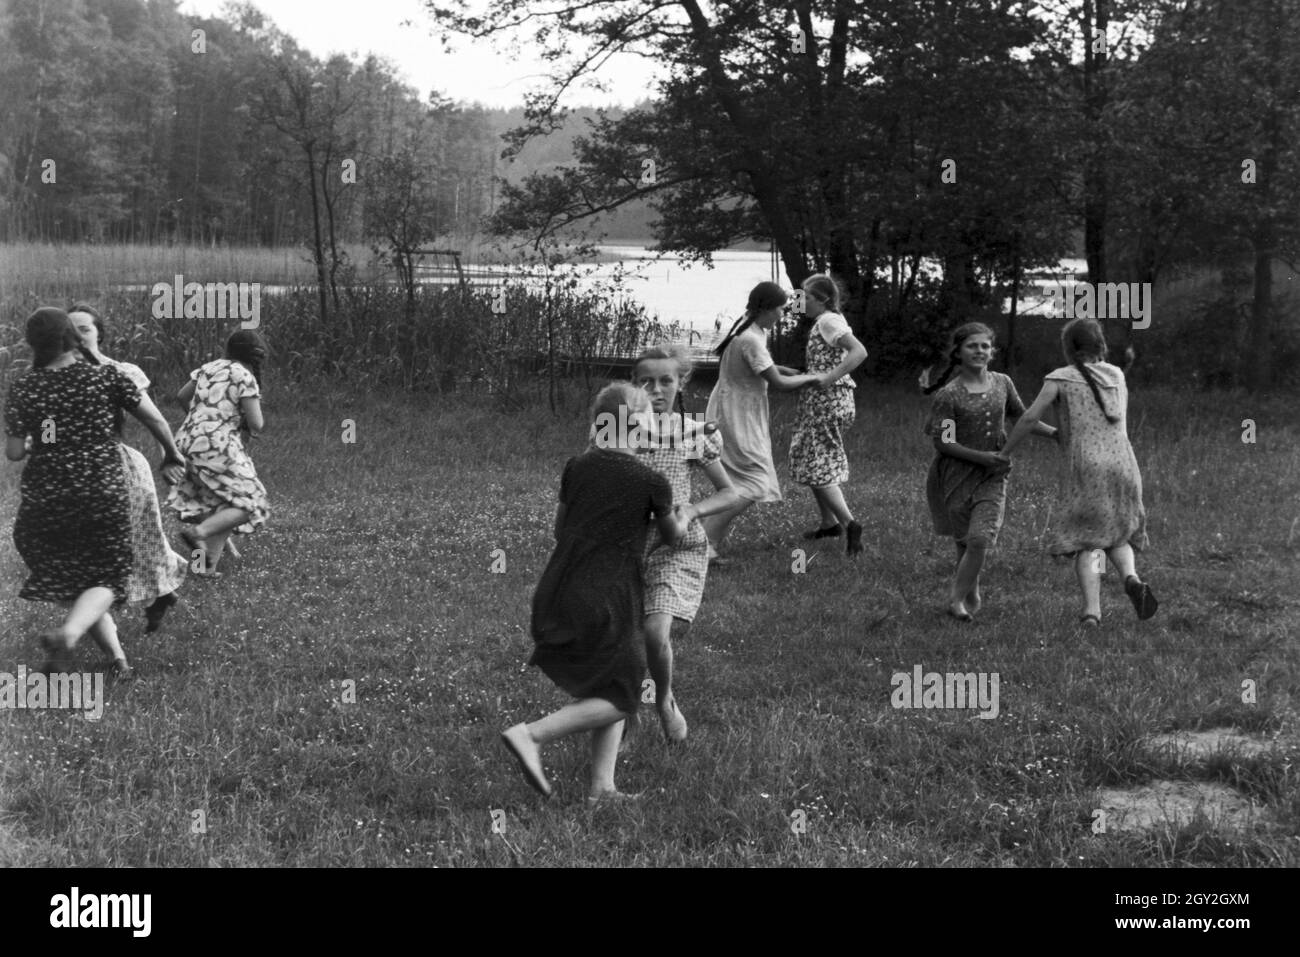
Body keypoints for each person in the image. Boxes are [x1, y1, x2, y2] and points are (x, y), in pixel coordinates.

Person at [501, 383, 688, 802]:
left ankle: (603, 787)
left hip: (563, 585)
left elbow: (558, 530)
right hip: (610, 596)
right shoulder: (652, 481)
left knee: (609, 682)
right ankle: (530, 735)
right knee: (624, 696)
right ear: (635, 423)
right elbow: (673, 537)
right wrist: (683, 514)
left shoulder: (577, 467)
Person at [4, 308, 185, 678]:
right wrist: (171, 452)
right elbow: (153, 418)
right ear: (71, 337)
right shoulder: (105, 376)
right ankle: (68, 634)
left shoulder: (24, 386)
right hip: (100, 490)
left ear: (32, 343)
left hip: (47, 495)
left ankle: (114, 658)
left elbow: (15, 453)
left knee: (70, 575)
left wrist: (39, 435)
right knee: (109, 577)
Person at [1001, 318, 1158, 626]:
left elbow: (1031, 418)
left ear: (1068, 348)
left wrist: (1005, 452)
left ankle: (1092, 612)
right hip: (1125, 466)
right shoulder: (1116, 375)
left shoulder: (1060, 378)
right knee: (1117, 533)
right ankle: (1131, 578)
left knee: (1088, 540)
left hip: (1089, 467)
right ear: (1100, 344)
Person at [633, 344, 743, 743]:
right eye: (646, 381)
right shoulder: (616, 431)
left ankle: (664, 700)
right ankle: (621, 715)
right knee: (625, 638)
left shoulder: (691, 433)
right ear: (634, 385)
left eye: (666, 381)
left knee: (654, 631)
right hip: (627, 545)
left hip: (674, 544)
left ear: (681, 383)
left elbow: (730, 492)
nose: (656, 390)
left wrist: (692, 512)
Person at [922, 322, 1056, 621]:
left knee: (980, 538)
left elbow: (1023, 417)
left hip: (993, 476)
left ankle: (955, 600)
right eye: (972, 346)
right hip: (956, 477)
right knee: (964, 542)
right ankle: (971, 591)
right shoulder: (949, 395)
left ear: (992, 351)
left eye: (985, 346)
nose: (979, 351)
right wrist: (981, 456)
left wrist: (1057, 434)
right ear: (958, 352)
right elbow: (943, 441)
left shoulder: (1003, 383)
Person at [68, 303, 186, 631]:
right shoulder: (56, 373)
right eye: (70, 330)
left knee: (142, 540)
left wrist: (171, 454)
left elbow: (155, 419)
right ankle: (145, 600)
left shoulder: (119, 372)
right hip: (74, 473)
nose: (76, 337)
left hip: (119, 470)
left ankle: (152, 597)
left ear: (99, 334)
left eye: (84, 330)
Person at [701, 281, 819, 562]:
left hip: (734, 406)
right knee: (755, 481)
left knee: (740, 477)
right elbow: (779, 383)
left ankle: (706, 542)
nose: (783, 314)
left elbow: (760, 367)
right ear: (766, 308)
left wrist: (786, 368)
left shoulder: (750, 327)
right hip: (736, 412)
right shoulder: (752, 338)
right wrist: (813, 378)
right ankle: (702, 539)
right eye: (780, 308)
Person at [167, 330, 269, 576]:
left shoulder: (208, 368)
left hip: (187, 440)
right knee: (251, 501)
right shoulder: (245, 376)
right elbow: (257, 424)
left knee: (214, 505)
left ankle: (204, 567)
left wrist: (201, 419)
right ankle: (198, 534)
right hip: (217, 444)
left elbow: (182, 396)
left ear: (228, 349)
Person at [788, 274, 869, 554]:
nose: (801, 302)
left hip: (829, 401)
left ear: (822, 299)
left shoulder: (828, 320)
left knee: (818, 463)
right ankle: (828, 523)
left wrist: (830, 377)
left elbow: (859, 352)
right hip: (823, 400)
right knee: (814, 458)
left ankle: (849, 524)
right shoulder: (823, 322)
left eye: (805, 297)